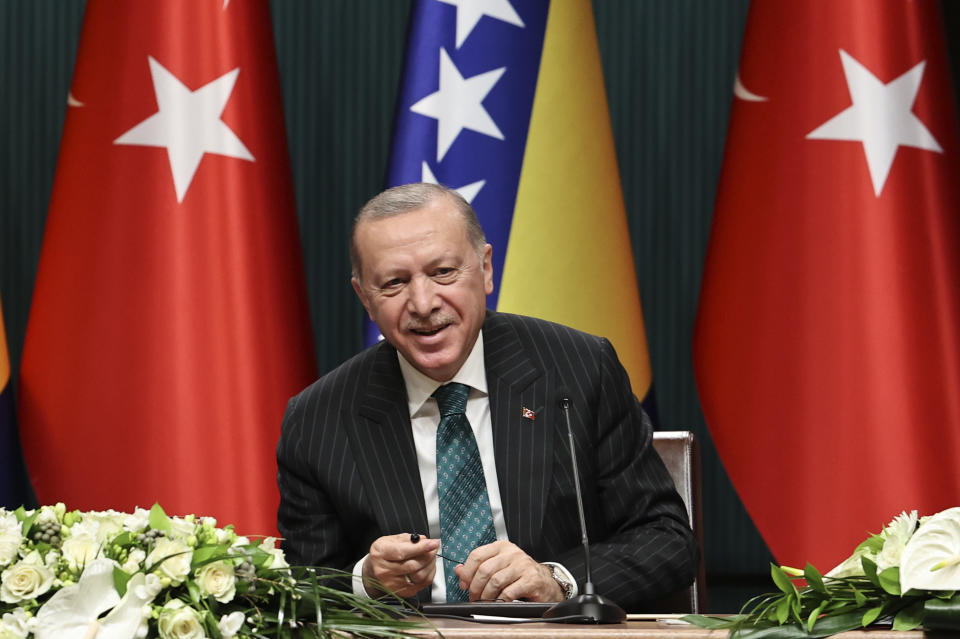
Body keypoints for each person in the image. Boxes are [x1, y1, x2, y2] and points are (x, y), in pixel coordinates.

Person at [276, 183, 698, 609]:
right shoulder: (318, 419)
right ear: (365, 298)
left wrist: (557, 581)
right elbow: (300, 584)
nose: (423, 303)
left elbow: (666, 541)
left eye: (443, 272)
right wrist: (366, 580)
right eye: (394, 282)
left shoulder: (580, 369)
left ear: (486, 268)